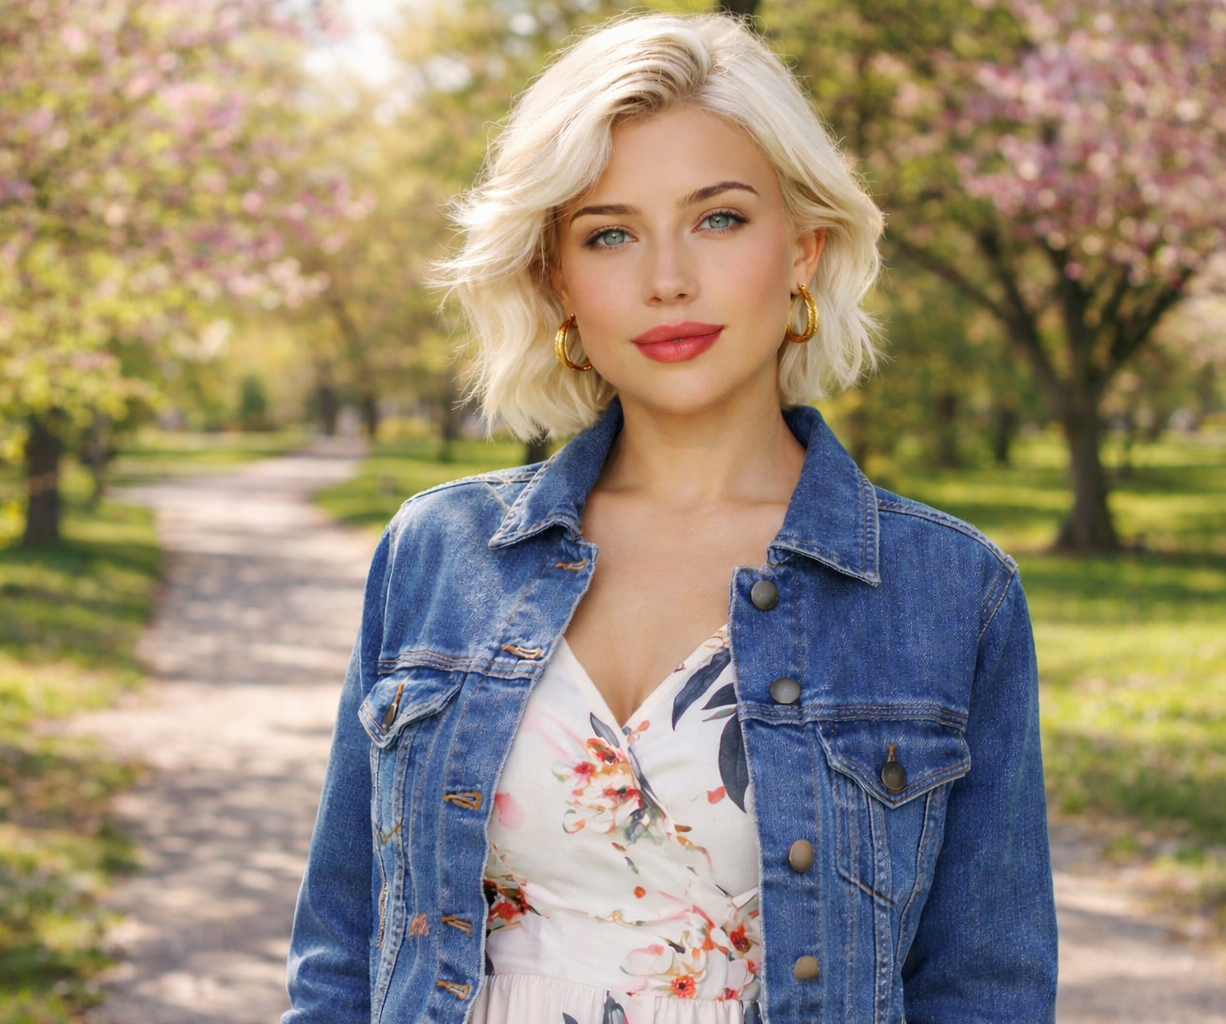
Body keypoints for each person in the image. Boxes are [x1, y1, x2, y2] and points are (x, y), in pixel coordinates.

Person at [283, 12, 1056, 1024]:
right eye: (610, 233)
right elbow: (343, 950)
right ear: (558, 278)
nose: (667, 279)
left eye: (719, 218)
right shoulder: (438, 556)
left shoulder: (950, 591)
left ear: (804, 249)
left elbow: (982, 989)